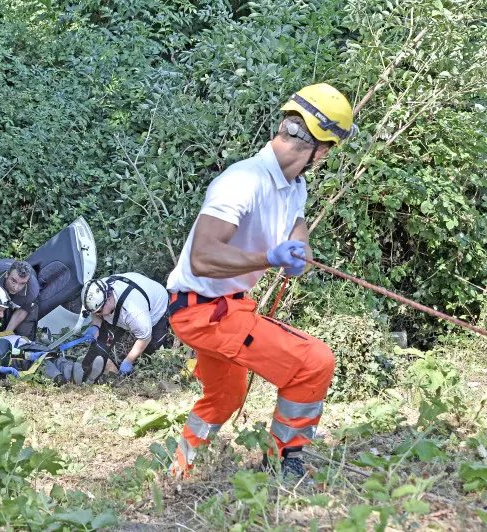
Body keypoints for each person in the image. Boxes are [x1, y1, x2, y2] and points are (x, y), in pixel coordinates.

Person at [166, 83, 357, 480]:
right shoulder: (243, 180)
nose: (323, 159)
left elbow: (297, 223)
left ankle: (179, 468)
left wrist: (297, 249)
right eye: (327, 152)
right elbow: (203, 257)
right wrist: (267, 258)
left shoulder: (293, 186)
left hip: (227, 306)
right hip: (204, 310)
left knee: (225, 397)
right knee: (313, 362)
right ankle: (283, 463)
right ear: (320, 149)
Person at [80, 272, 169, 379]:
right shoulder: (97, 291)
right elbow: (95, 311)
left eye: (99, 311)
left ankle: (134, 378)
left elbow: (145, 338)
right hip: (134, 290)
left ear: (108, 299)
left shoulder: (134, 311)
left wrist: (128, 361)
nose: (97, 314)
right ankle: (86, 372)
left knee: (150, 351)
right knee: (101, 343)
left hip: (157, 307)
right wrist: (95, 326)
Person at [0, 259, 40, 338]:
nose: (16, 288)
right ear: (7, 274)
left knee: (21, 333)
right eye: (13, 281)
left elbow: (22, 311)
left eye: (22, 283)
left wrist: (6, 333)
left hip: (22, 303)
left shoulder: (32, 290)